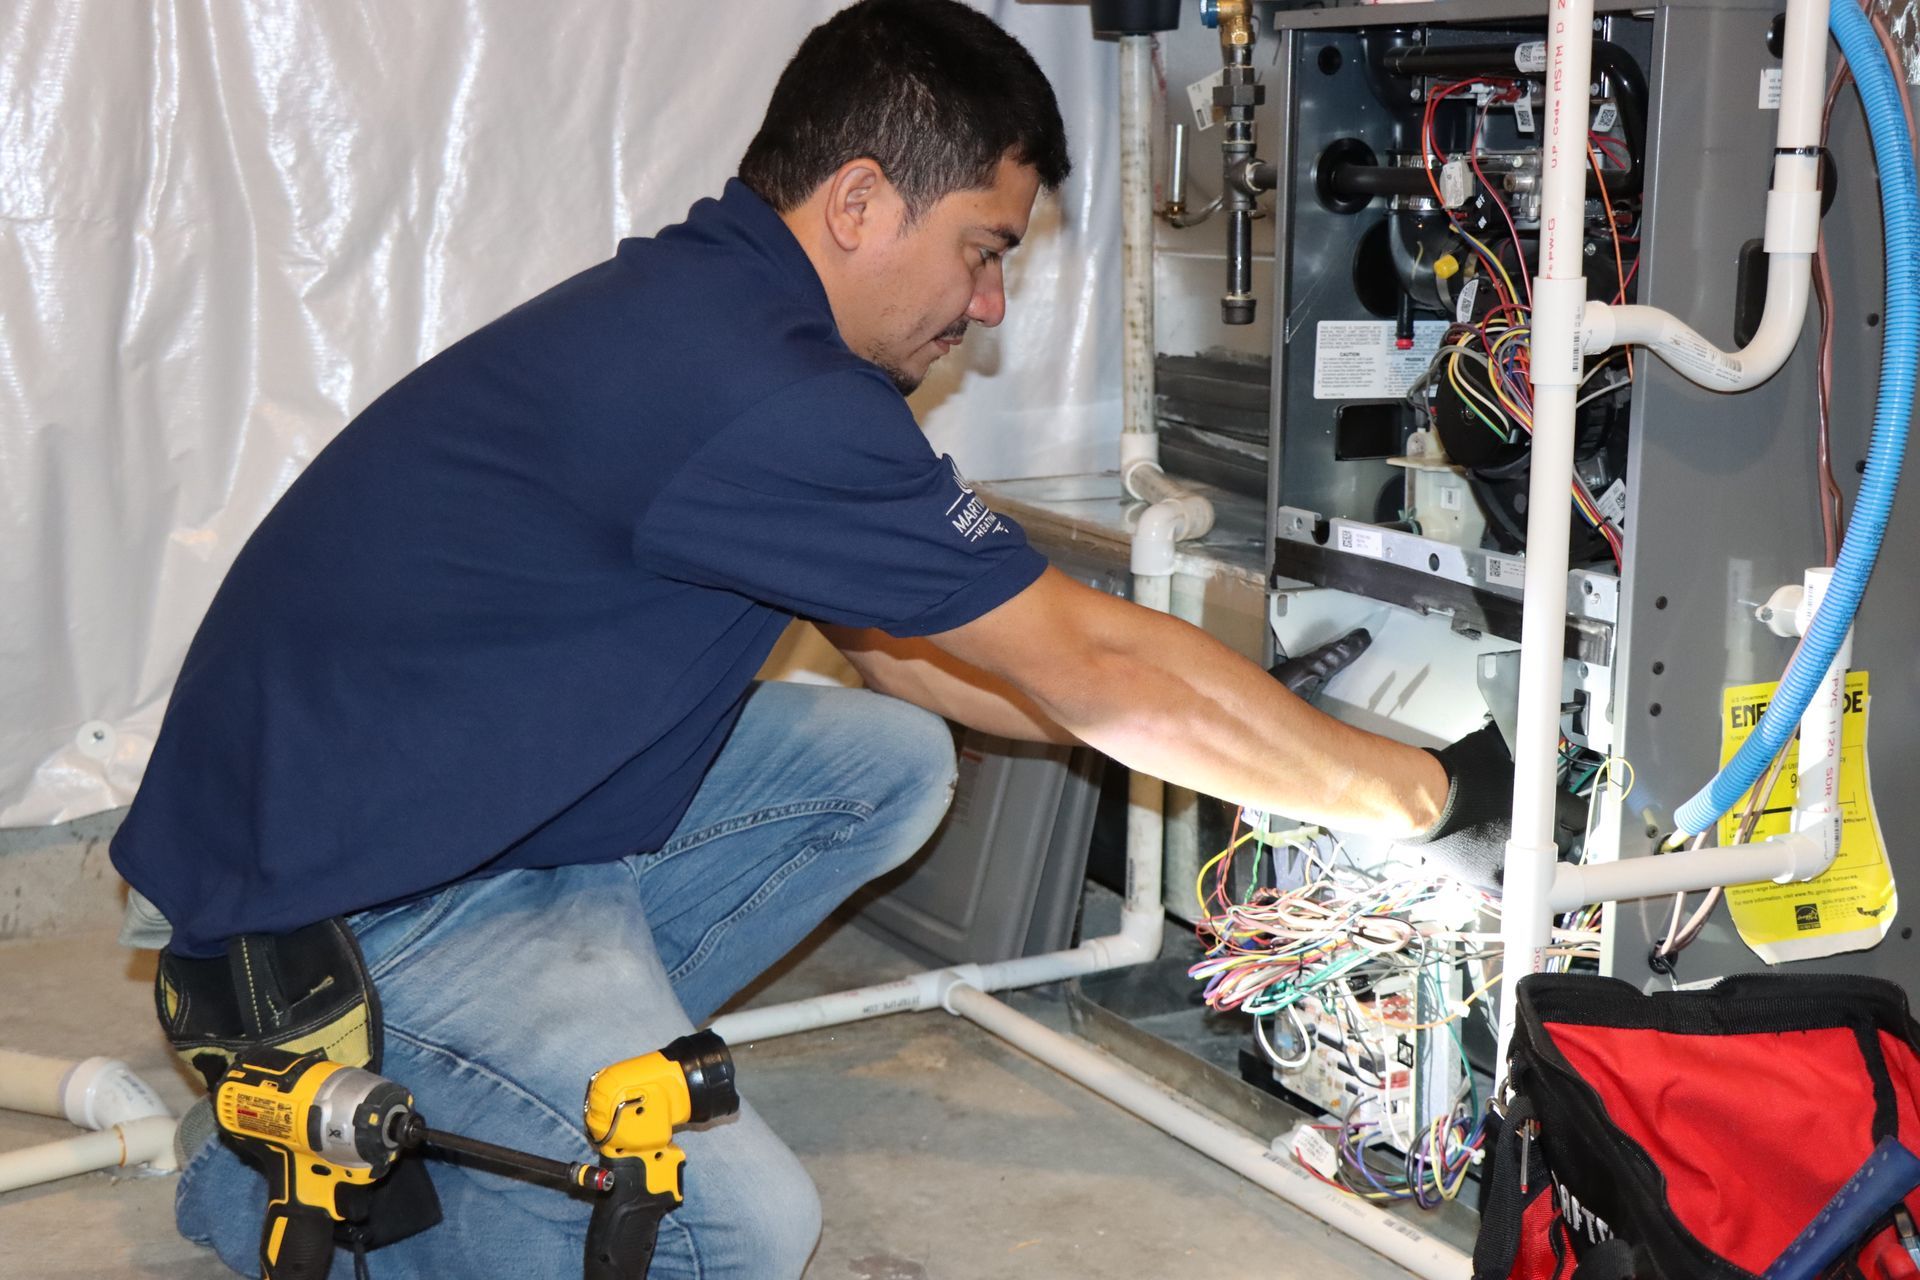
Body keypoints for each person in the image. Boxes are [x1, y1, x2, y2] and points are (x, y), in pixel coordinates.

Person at [110, 1, 1509, 1275]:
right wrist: (1421, 792)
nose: (988, 306)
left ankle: (539, 1062)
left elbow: (936, 659)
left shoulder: (714, 313)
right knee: (736, 1234)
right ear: (858, 202)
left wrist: (1260, 733)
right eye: (983, 248)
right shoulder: (761, 395)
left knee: (888, 753)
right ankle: (276, 1169)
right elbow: (1092, 666)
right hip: (356, 915)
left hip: (470, 818)